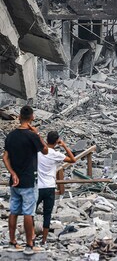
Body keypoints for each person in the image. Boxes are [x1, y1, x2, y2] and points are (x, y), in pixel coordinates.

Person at [2, 106, 48, 254]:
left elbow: (5, 157)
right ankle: (29, 245)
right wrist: (37, 133)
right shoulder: (32, 135)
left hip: (14, 181)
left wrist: (13, 173)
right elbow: (45, 150)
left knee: (14, 211)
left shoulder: (11, 136)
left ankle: (12, 242)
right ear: (32, 117)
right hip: (28, 179)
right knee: (28, 212)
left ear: (19, 117)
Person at [36, 131, 76, 245]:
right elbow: (73, 160)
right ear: (57, 141)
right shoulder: (55, 154)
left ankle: (31, 235)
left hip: (38, 187)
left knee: (31, 212)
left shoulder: (39, 152)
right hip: (49, 187)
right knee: (47, 213)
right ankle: (44, 239)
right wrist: (64, 145)